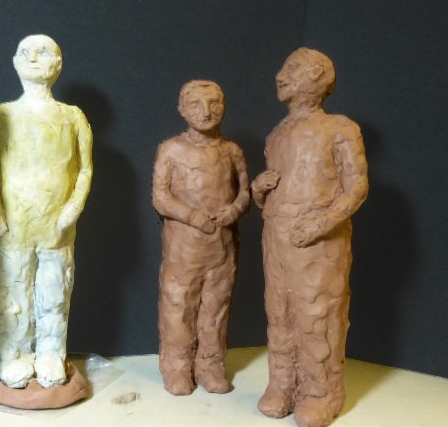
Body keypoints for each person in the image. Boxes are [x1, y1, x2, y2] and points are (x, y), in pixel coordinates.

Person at [253, 48, 368, 427]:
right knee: (279, 312)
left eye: (292, 69)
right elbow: (275, 191)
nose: (280, 75)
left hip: (319, 245)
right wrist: (258, 190)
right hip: (277, 239)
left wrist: (320, 224)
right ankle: (282, 385)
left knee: (317, 314)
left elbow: (356, 187)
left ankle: (320, 393)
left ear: (317, 77)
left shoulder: (340, 129)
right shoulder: (277, 134)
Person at [0, 34, 93, 389]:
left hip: (56, 226)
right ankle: (12, 354)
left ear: (57, 64)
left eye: (43, 52)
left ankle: (50, 353)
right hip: (13, 224)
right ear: (15, 61)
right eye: (24, 52)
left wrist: (72, 209)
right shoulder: (2, 115)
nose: (32, 58)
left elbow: (85, 169)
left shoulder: (72, 117)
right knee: (11, 290)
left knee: (54, 289)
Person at [152, 80, 250, 395]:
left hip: (222, 246)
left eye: (214, 103)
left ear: (225, 107)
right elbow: (160, 198)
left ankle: (210, 365)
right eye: (196, 104)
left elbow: (244, 193)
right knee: (179, 305)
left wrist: (234, 210)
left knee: (216, 307)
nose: (206, 112)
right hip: (183, 246)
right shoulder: (171, 149)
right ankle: (177, 367)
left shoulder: (231, 151)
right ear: (182, 110)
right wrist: (193, 217)